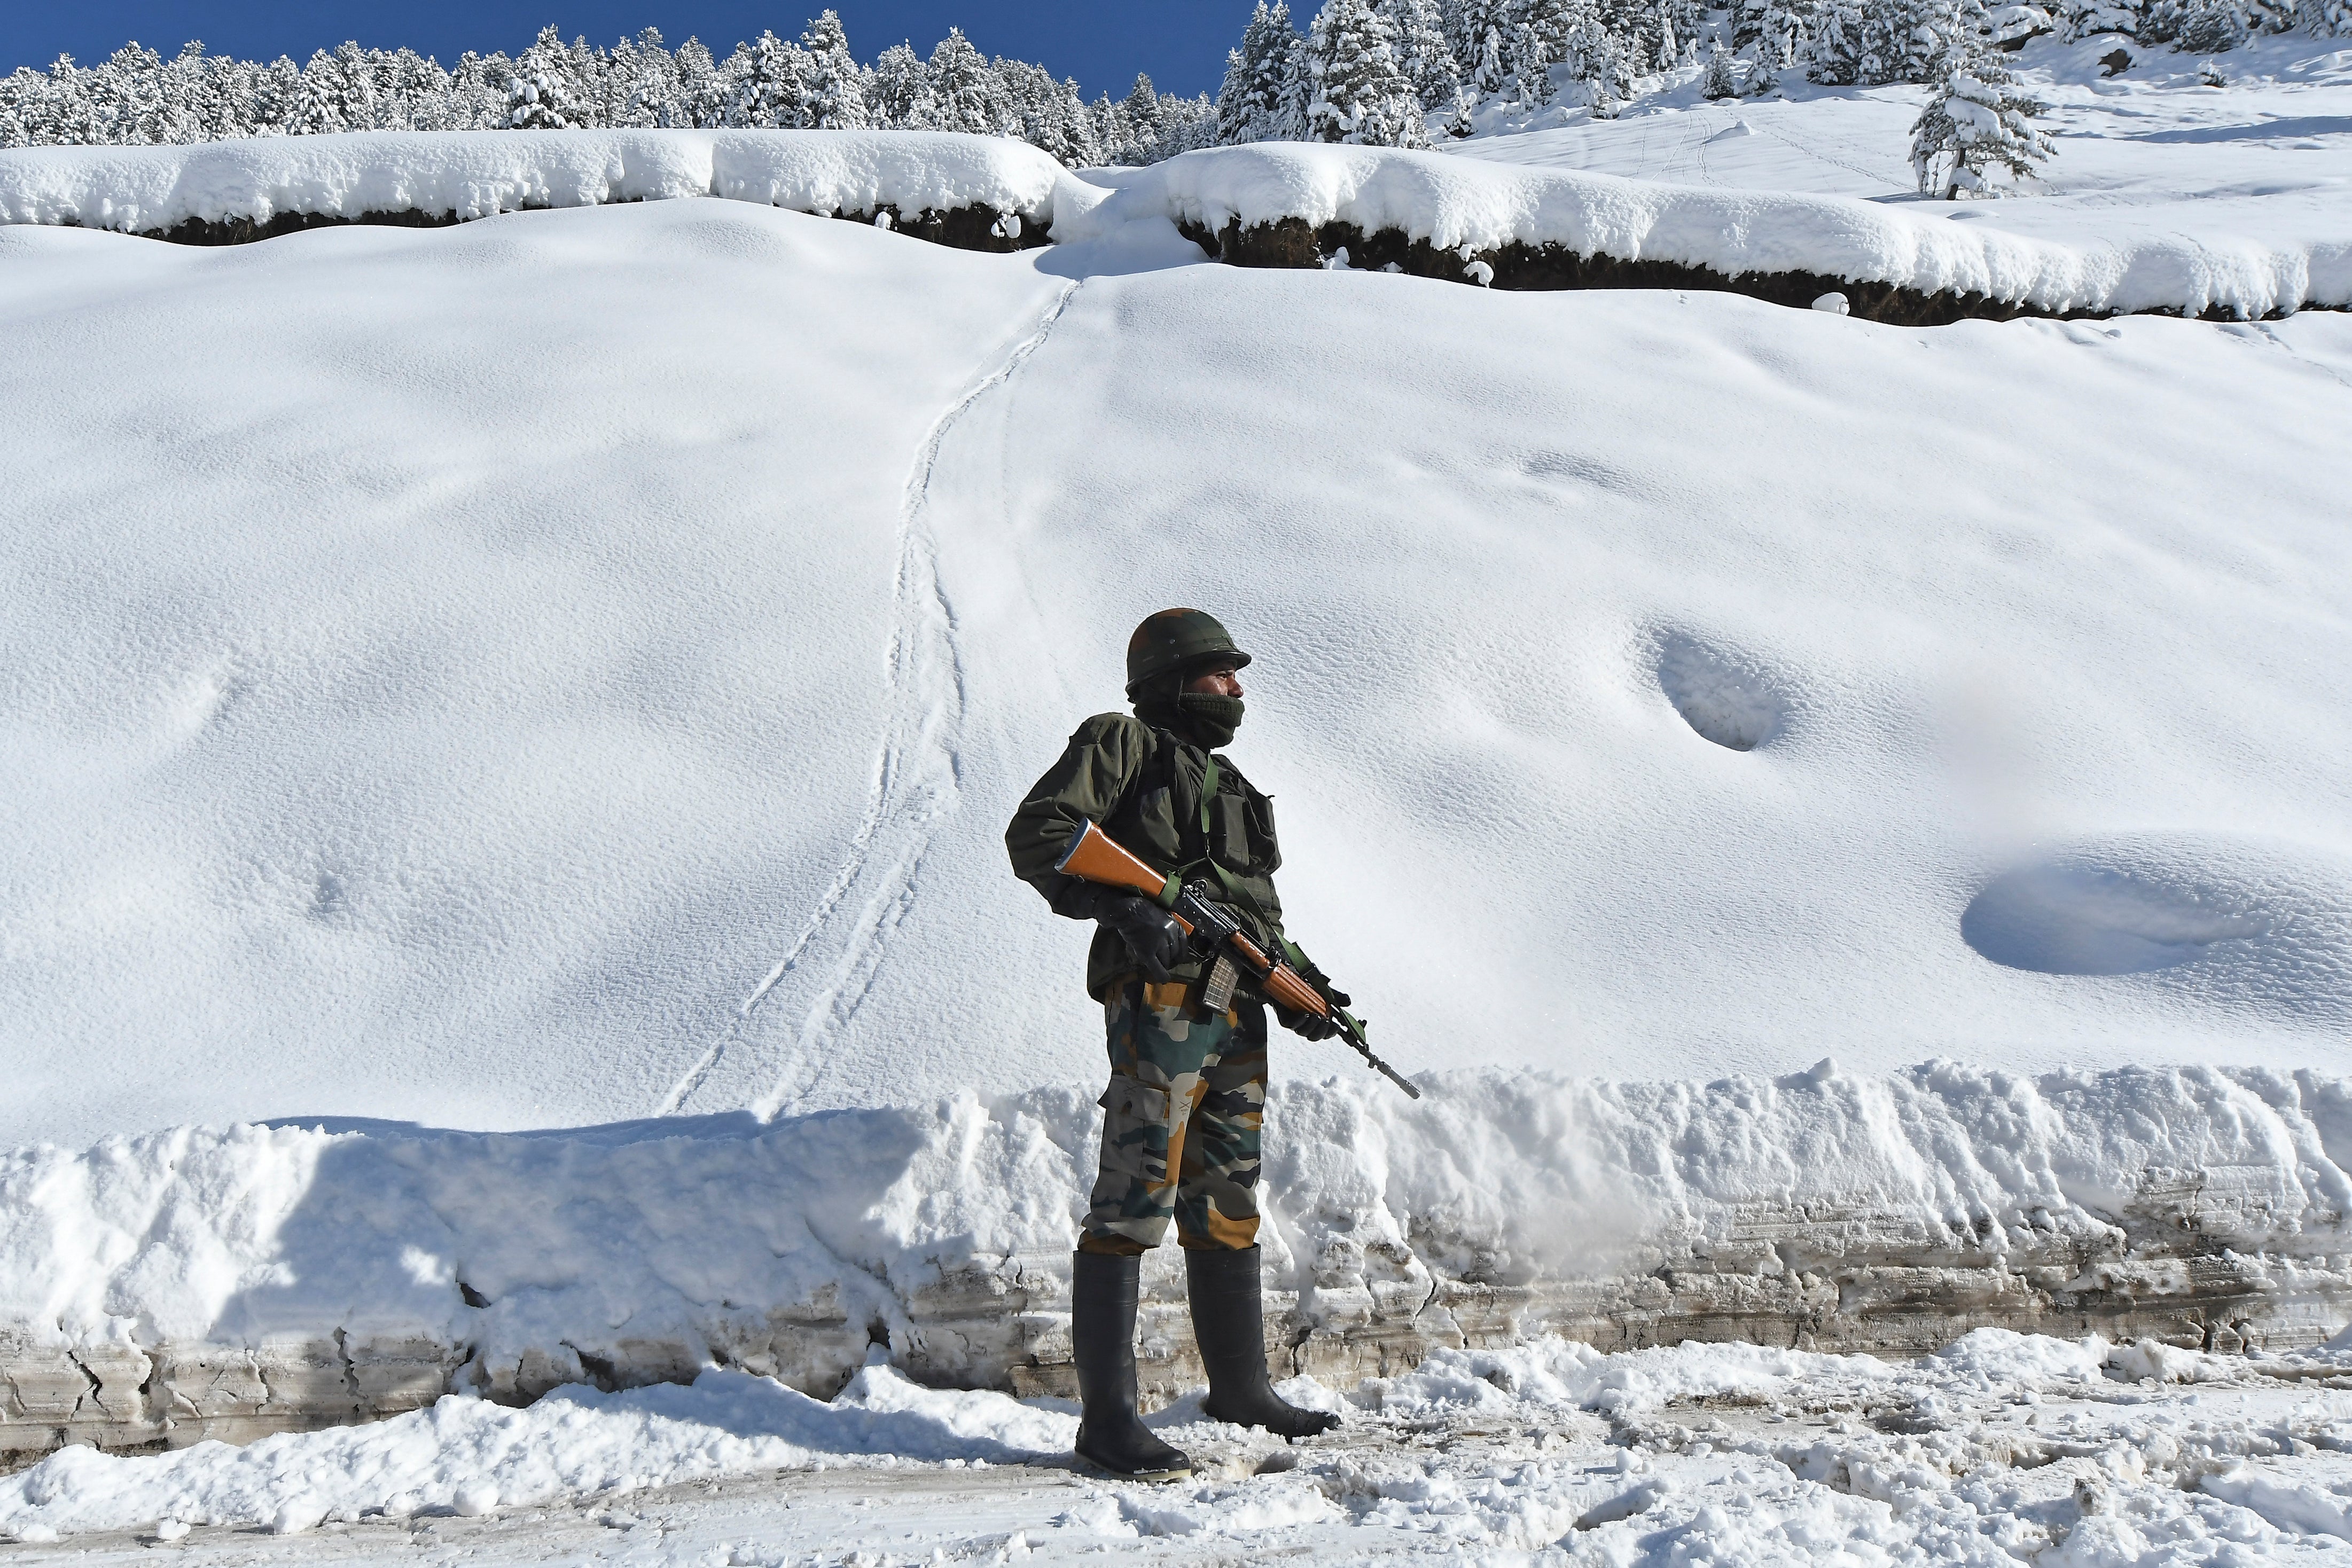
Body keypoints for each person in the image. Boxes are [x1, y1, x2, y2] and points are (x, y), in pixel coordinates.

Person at [1005, 608, 1346, 1481]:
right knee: (1134, 1191)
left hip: (1234, 1010)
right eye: (1218, 674)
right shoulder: (1122, 743)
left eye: (1236, 676)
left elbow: (1257, 917)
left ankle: (1242, 1391)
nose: (1235, 691)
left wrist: (1307, 990)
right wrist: (1125, 909)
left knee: (1229, 1196)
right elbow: (1041, 832)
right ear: (1171, 680)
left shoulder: (1229, 788)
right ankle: (1107, 1424)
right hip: (1159, 998)